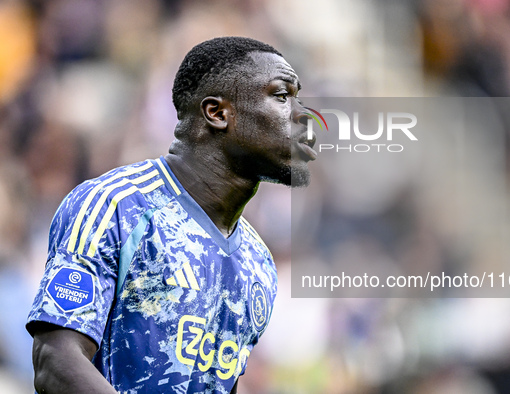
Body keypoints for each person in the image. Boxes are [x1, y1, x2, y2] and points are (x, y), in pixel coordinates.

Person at [26, 36, 316, 394]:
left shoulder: (258, 263)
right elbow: (55, 363)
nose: (304, 116)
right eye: (282, 96)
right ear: (218, 113)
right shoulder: (115, 206)